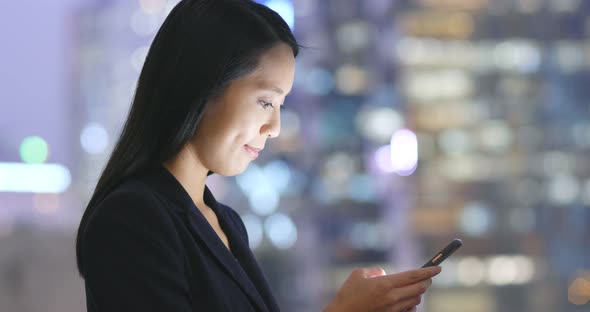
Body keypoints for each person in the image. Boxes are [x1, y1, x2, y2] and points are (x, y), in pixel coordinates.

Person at [75, 0, 441, 311]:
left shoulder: (225, 222)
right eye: (265, 101)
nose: (275, 127)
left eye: (281, 105)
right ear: (203, 85)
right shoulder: (132, 218)